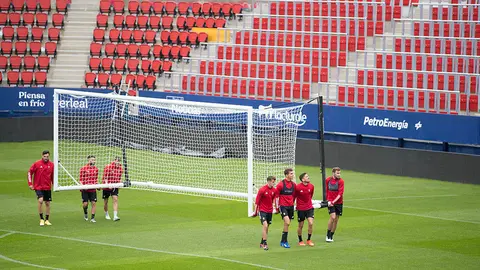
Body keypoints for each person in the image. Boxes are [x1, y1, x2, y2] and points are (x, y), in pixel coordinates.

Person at [28, 150, 54, 226]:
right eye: (44, 156)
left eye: (47, 156)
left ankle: (47, 220)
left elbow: (53, 176)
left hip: (47, 187)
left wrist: (54, 184)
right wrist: (30, 184)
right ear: (42, 156)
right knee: (40, 200)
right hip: (38, 186)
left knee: (47, 203)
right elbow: (30, 172)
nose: (46, 158)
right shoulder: (37, 164)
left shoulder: (52, 165)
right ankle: (41, 219)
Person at [253, 176, 277, 251]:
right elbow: (257, 202)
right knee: (265, 225)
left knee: (266, 227)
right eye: (273, 182)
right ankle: (265, 244)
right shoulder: (262, 190)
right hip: (262, 210)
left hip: (269, 211)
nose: (274, 183)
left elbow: (273, 199)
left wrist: (275, 208)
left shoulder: (274, 190)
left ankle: (261, 242)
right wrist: (255, 212)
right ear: (269, 181)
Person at [276, 168, 296, 248]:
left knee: (287, 224)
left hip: (290, 206)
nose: (292, 175)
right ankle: (285, 241)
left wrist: (293, 203)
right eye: (291, 173)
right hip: (283, 206)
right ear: (287, 175)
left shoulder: (293, 185)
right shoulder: (281, 184)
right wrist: (277, 207)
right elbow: (276, 196)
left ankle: (283, 241)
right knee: (287, 222)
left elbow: (294, 195)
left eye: (292, 173)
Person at [295, 173, 315, 246]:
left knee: (311, 223)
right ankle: (300, 240)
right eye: (306, 176)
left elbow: (311, 195)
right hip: (301, 209)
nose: (308, 177)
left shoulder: (311, 186)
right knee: (301, 225)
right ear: (303, 179)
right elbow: (294, 196)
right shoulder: (297, 187)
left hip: (309, 208)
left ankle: (309, 240)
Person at [325, 167, 345, 242]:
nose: (339, 174)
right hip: (330, 202)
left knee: (336, 220)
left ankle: (331, 235)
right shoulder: (328, 180)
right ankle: (328, 234)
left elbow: (340, 193)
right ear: (333, 173)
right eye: (337, 173)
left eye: (339, 173)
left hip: (338, 203)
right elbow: (326, 190)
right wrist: (328, 201)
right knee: (332, 217)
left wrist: (334, 201)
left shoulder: (341, 181)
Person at [102, 157, 123, 221]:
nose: (118, 162)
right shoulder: (108, 167)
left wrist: (119, 184)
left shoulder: (120, 169)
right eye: (117, 161)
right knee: (106, 201)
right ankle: (106, 214)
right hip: (107, 186)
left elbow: (119, 178)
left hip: (115, 186)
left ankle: (115, 216)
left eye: (119, 161)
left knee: (115, 199)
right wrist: (107, 184)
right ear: (114, 161)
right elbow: (105, 177)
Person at [79, 155, 99, 223]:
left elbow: (96, 179)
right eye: (92, 160)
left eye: (94, 160)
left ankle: (93, 218)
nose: (93, 161)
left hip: (93, 189)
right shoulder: (83, 168)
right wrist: (82, 187)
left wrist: (97, 186)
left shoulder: (96, 169)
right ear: (88, 160)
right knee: (85, 204)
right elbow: (81, 180)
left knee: (93, 203)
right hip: (85, 189)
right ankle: (85, 213)